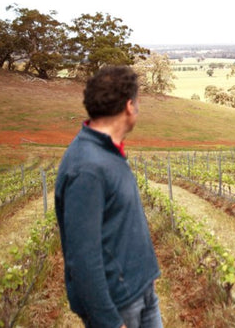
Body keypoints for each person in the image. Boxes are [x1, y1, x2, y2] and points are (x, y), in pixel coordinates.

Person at [55, 66, 162, 328]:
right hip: (119, 303)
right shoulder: (88, 168)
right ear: (129, 106)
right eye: (137, 102)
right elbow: (82, 257)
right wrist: (109, 321)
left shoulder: (107, 152)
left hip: (141, 290)